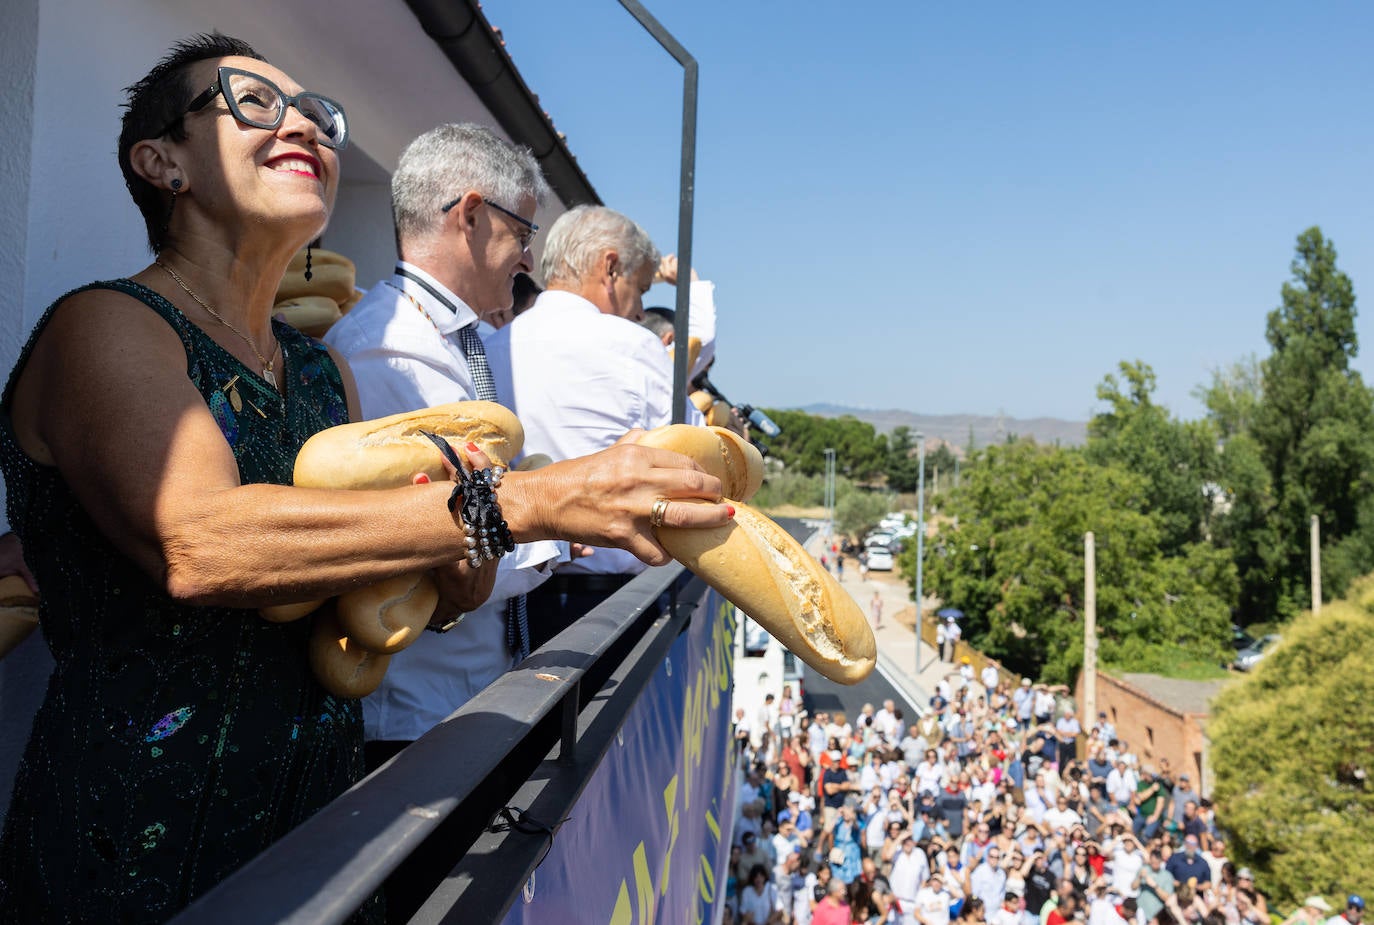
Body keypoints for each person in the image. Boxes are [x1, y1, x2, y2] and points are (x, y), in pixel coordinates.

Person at [0, 36, 732, 923]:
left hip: (321, 827)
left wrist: (458, 558)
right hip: (131, 841)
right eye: (253, 101)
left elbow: (416, 583)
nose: (302, 122)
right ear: (163, 161)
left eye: (313, 110)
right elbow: (200, 542)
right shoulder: (107, 325)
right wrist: (527, 502)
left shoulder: (320, 376)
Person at [322, 123, 567, 772]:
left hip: (455, 699)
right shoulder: (390, 349)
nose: (527, 260)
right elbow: (434, 538)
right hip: (413, 717)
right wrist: (560, 525)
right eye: (523, 234)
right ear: (473, 216)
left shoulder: (451, 340)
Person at [487, 205, 702, 643]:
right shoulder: (635, 346)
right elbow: (697, 460)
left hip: (507, 601)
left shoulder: (490, 347)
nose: (641, 311)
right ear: (610, 267)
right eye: (640, 289)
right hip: (609, 606)